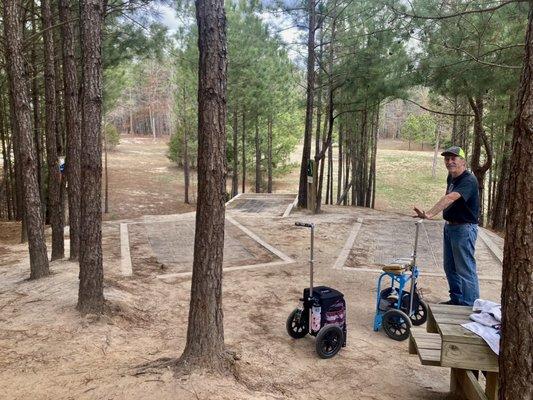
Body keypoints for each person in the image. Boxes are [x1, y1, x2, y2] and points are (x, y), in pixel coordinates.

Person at [413, 146, 480, 306]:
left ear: (463, 161)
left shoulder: (468, 180)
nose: (449, 162)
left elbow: (450, 198)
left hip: (464, 229)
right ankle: (457, 300)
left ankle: (470, 306)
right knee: (450, 267)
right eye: (447, 159)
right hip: (450, 227)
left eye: (453, 159)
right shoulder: (452, 177)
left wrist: (429, 213)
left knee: (465, 269)